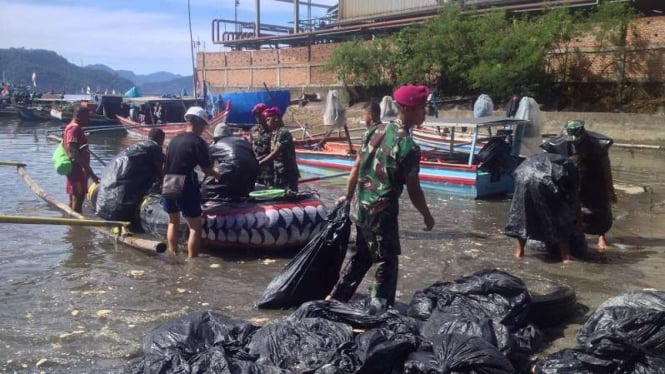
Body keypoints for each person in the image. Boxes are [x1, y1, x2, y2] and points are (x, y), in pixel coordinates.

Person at [326, 85, 435, 313]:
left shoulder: (374, 131)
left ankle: (333, 301)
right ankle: (378, 314)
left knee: (362, 258)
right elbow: (414, 190)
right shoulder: (408, 146)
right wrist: (426, 215)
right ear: (407, 109)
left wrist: (348, 196)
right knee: (386, 262)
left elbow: (355, 169)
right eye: (422, 108)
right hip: (381, 215)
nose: (425, 112)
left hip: (359, 208)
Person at [161, 106, 221, 258]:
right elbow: (206, 169)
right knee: (195, 225)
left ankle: (172, 254)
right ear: (200, 123)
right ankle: (192, 261)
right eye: (204, 126)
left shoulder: (174, 140)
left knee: (173, 222)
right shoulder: (198, 142)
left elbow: (166, 164)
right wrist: (217, 174)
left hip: (168, 181)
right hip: (185, 184)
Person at [505, 152, 582, 263]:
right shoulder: (572, 168)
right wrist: (578, 219)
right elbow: (574, 199)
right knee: (561, 215)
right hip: (544, 179)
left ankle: (519, 252)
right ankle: (566, 256)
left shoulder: (555, 158)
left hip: (523, 173)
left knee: (523, 213)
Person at [563, 120, 617, 251]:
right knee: (575, 207)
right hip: (575, 176)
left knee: (601, 207)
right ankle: (579, 233)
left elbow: (606, 167)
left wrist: (610, 188)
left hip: (594, 177)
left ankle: (601, 236)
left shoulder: (598, 144)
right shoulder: (563, 142)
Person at [94, 128, 165, 224]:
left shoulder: (136, 147)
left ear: (149, 136)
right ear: (161, 139)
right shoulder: (154, 147)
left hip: (111, 178)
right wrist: (165, 184)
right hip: (123, 184)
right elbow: (159, 170)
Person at [202, 123, 259, 199]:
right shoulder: (242, 141)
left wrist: (203, 182)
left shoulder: (214, 146)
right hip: (254, 171)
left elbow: (208, 168)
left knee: (206, 187)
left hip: (234, 171)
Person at [63, 103, 99, 213]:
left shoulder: (74, 128)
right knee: (77, 199)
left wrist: (84, 137)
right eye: (87, 117)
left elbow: (74, 145)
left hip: (77, 169)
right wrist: (89, 171)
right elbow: (73, 151)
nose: (88, 120)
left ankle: (71, 226)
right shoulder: (74, 129)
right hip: (77, 170)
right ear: (79, 116)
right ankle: (76, 228)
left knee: (74, 197)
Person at [258, 107, 300, 193]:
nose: (267, 123)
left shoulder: (284, 133)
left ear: (276, 118)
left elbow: (275, 154)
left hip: (288, 174)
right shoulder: (275, 133)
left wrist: (259, 164)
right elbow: (269, 153)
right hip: (279, 173)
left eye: (268, 120)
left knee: (290, 197)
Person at [250, 103, 273, 187]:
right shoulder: (253, 130)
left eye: (259, 114)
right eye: (256, 115)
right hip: (257, 168)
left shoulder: (272, 129)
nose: (257, 117)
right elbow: (251, 146)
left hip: (270, 169)